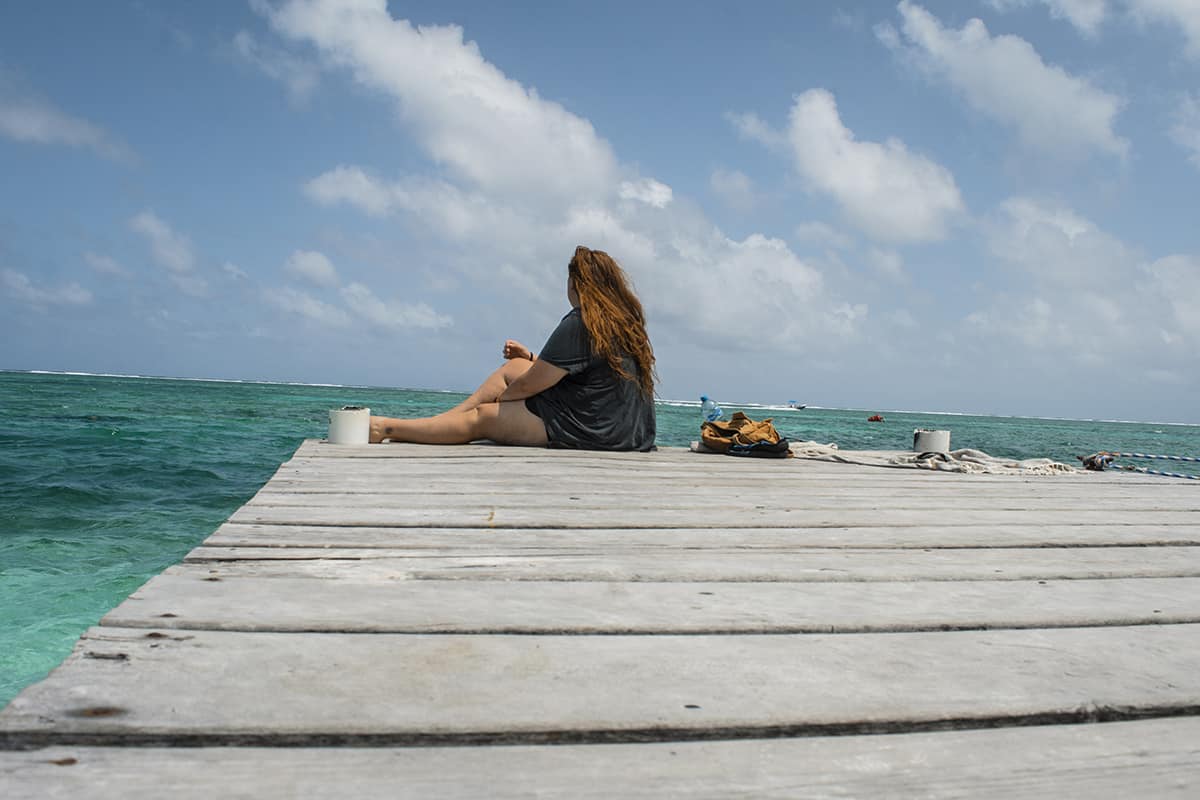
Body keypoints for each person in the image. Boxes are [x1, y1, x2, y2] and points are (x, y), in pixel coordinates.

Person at [369, 246, 657, 451]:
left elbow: (526, 387)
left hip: (594, 429)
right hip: (628, 430)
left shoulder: (581, 322)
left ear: (577, 284)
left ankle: (389, 428)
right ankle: (440, 423)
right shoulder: (625, 321)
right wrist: (530, 358)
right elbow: (586, 372)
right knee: (515, 366)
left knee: (482, 418)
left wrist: (499, 403)